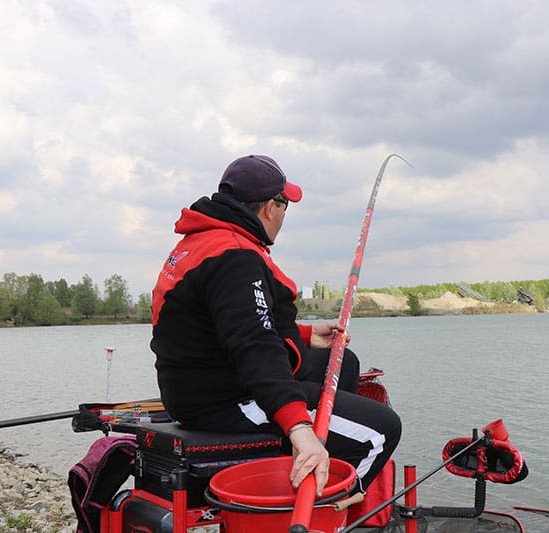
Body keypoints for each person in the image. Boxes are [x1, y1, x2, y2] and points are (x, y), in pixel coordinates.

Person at [150, 154, 401, 497]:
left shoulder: (202, 242)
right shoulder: (236, 258)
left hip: (198, 383)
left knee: (344, 361)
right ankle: (324, 512)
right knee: (381, 432)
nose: (284, 215)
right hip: (225, 399)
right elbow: (255, 348)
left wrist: (306, 335)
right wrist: (299, 428)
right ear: (271, 207)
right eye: (285, 205)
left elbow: (226, 325)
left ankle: (301, 465)